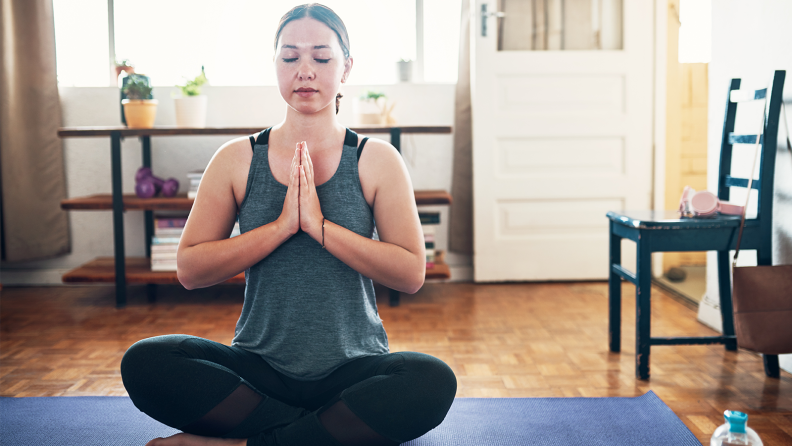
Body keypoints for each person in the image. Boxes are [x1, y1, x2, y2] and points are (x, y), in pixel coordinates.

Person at [120, 4, 457, 446]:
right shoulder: (236, 159)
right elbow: (190, 269)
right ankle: (321, 432)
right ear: (274, 64)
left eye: (321, 57)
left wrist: (319, 227)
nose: (305, 71)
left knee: (432, 380)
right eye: (289, 56)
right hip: (259, 370)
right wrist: (281, 226)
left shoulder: (376, 160)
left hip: (352, 369)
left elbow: (412, 273)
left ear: (346, 67)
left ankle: (255, 441)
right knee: (145, 361)